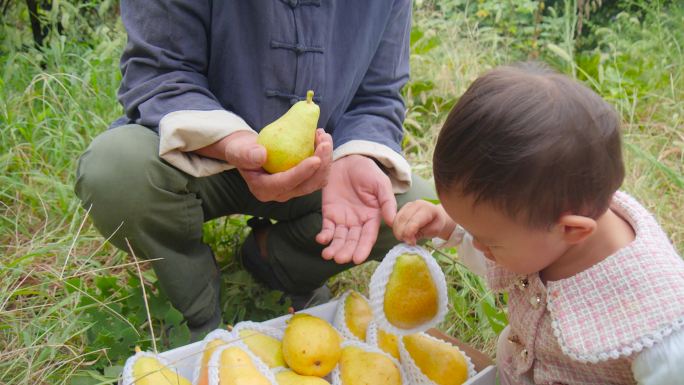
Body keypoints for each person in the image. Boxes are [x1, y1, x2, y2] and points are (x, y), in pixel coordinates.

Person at [74, 0, 436, 339]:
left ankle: (275, 262)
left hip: (323, 171)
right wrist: (231, 143)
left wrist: (356, 157)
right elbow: (159, 71)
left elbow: (379, 96)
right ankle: (195, 305)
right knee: (116, 173)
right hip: (198, 153)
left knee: (413, 209)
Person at [392, 63, 684, 384]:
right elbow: (508, 252)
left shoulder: (660, 332)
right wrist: (450, 227)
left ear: (572, 230)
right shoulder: (546, 223)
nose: (479, 245)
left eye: (488, 240)